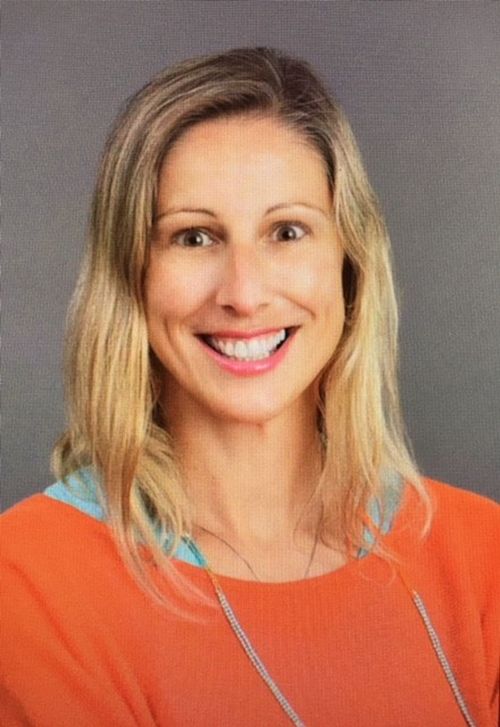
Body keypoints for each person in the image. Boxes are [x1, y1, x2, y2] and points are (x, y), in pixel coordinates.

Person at [1, 47, 498, 727]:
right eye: (194, 237)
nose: (243, 292)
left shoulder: (482, 555)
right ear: (132, 277)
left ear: (349, 264)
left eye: (287, 231)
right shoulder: (31, 578)